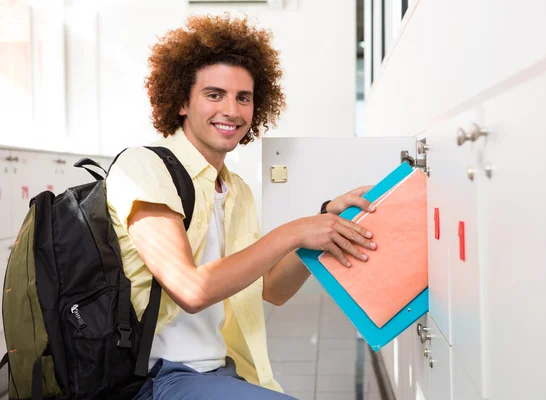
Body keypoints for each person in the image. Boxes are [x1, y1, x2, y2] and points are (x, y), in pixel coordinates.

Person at [106, 14, 377, 400]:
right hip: (156, 377)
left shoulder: (234, 189)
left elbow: (272, 290)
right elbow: (191, 289)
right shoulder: (143, 167)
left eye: (243, 97)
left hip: (217, 370)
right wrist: (293, 231)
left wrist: (322, 224)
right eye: (214, 95)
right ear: (182, 101)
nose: (232, 110)